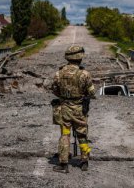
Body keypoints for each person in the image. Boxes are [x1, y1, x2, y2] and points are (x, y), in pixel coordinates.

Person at [51, 45, 95, 173]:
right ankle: (84, 161)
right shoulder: (85, 74)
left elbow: (54, 90)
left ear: (67, 57)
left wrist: (64, 97)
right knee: (82, 134)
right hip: (79, 110)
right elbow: (92, 93)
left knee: (65, 134)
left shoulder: (59, 73)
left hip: (64, 109)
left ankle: (63, 164)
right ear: (80, 58)